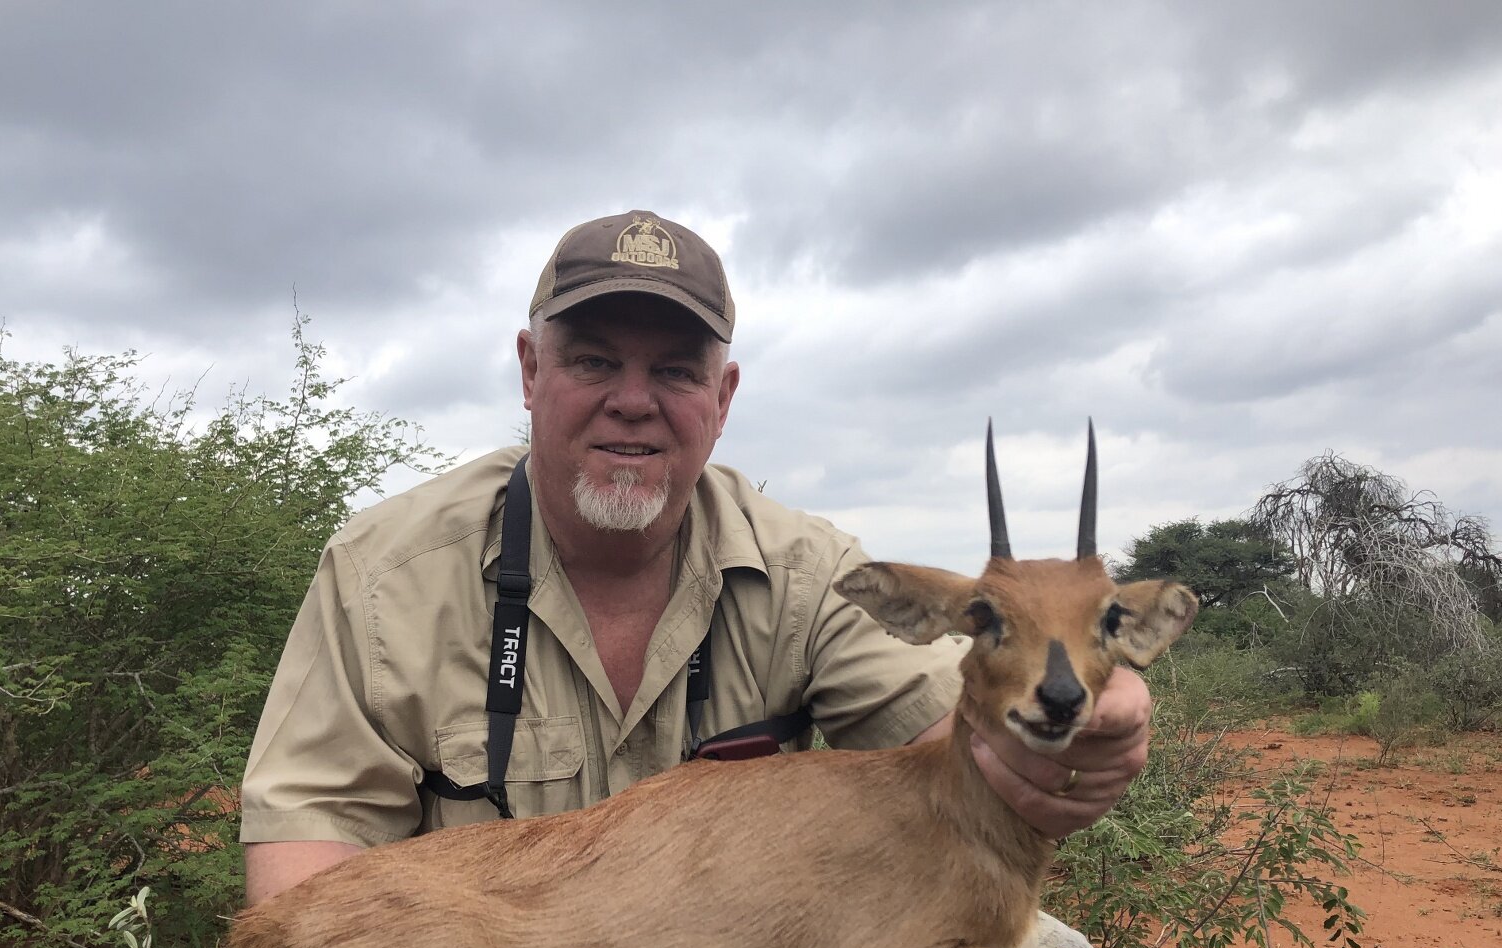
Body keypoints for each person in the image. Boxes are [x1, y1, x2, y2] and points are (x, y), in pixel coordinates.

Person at [239, 209, 1153, 911]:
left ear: (723, 397)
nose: (632, 403)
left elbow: (970, 755)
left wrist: (1075, 724)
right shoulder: (383, 575)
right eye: (593, 362)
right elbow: (300, 875)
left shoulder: (809, 572)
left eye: (675, 371)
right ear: (529, 372)